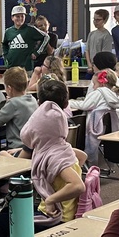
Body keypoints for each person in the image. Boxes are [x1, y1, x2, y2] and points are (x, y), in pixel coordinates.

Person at [21, 78, 85, 220]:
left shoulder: (55, 158)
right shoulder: (63, 149)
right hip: (60, 210)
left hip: (57, 217)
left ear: (38, 104)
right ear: (66, 103)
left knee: (0, 223)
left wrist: (51, 199)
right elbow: (82, 157)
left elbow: (78, 186)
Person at [0, 67, 39, 150]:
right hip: (32, 147)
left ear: (9, 89)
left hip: (17, 147)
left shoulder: (13, 103)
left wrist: (7, 104)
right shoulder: (33, 99)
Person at [3, 5, 49, 71]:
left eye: (22, 16)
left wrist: (37, 53)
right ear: (12, 18)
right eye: (17, 16)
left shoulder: (30, 29)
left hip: (26, 68)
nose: (20, 18)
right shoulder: (8, 31)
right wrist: (6, 57)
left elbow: (46, 37)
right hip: (11, 67)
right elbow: (4, 44)